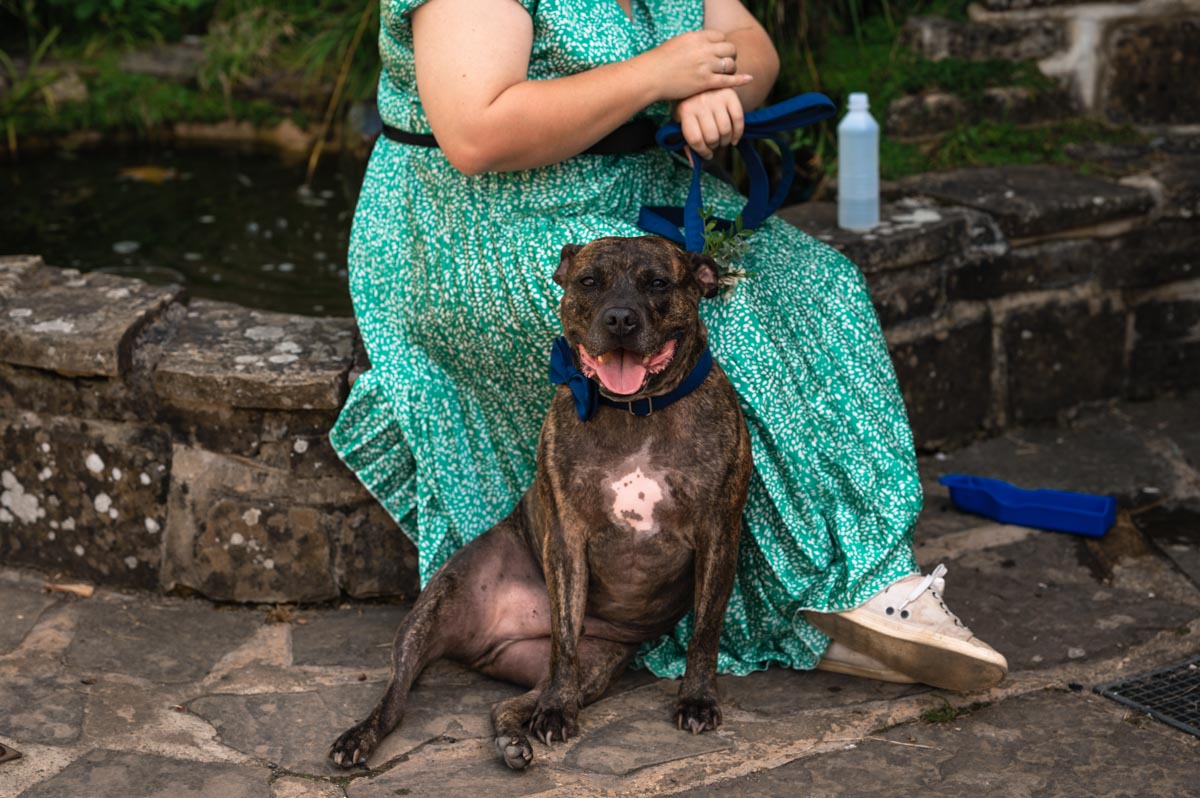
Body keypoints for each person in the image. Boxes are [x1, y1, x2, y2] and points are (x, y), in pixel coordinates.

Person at [329, 0, 1007, 691]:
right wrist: (657, 75)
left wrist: (714, 90)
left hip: (637, 204)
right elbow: (477, 133)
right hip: (483, 224)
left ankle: (859, 578)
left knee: (819, 281)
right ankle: (791, 609)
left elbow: (753, 44)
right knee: (721, 326)